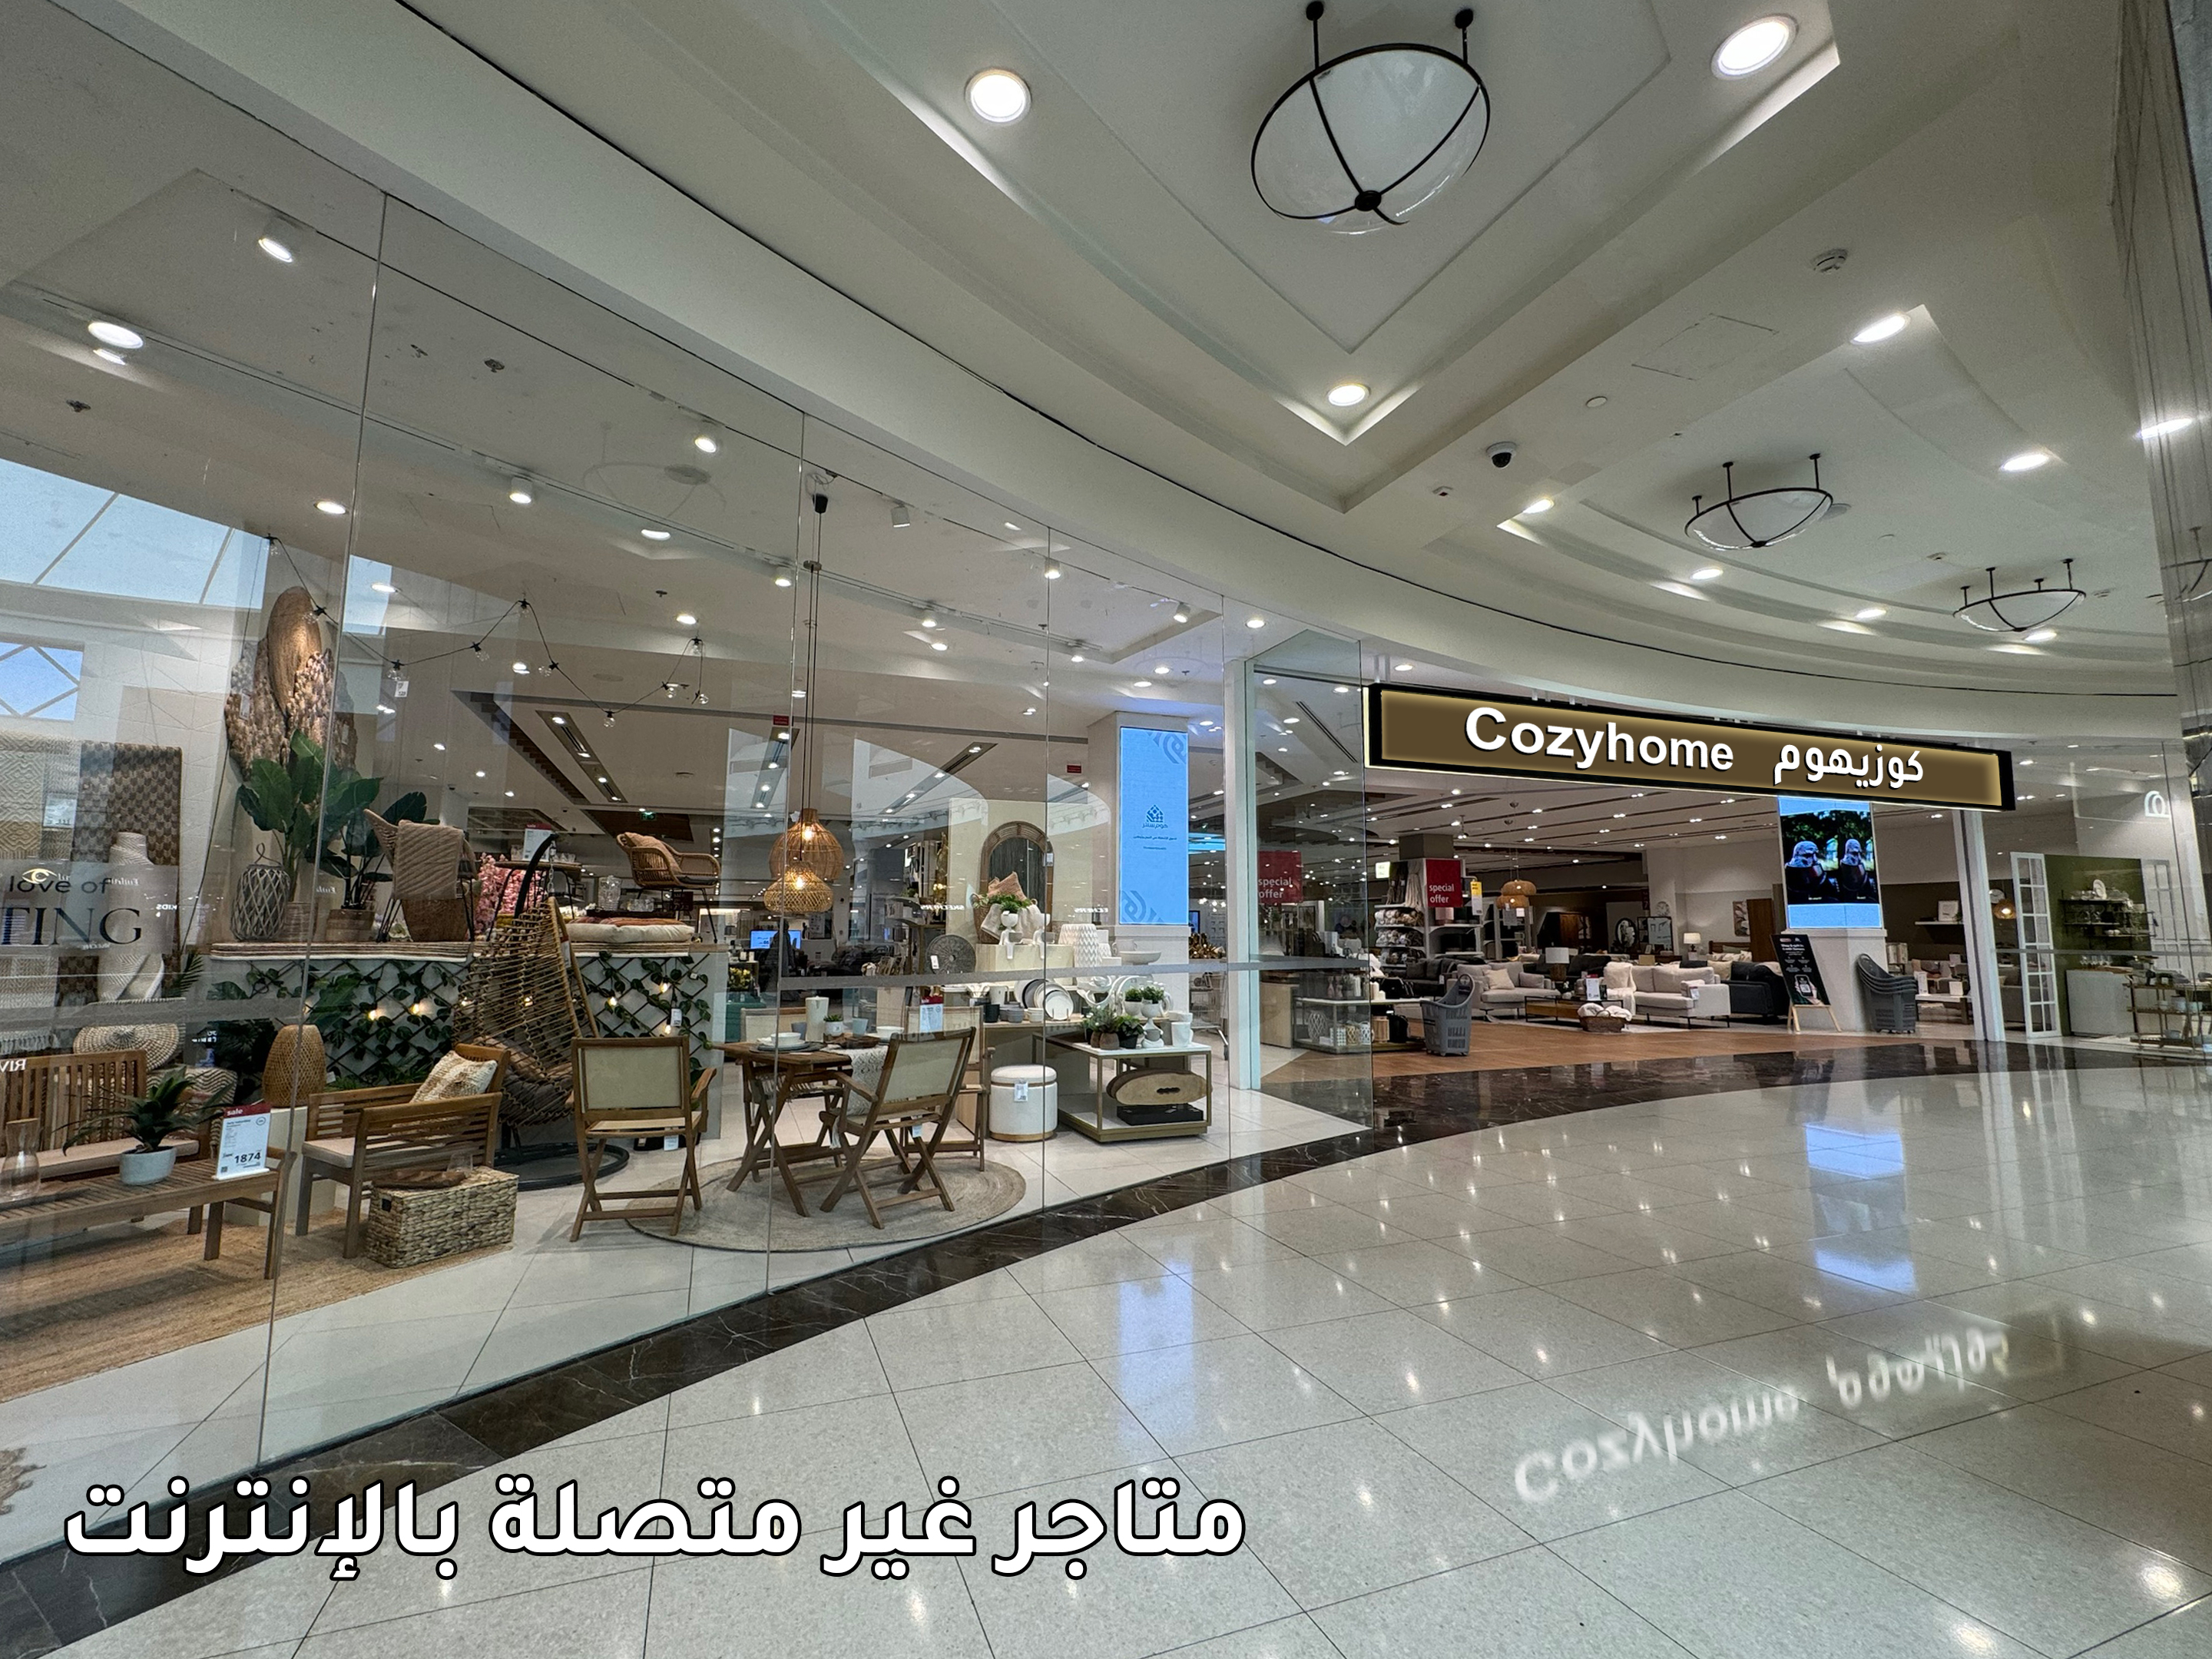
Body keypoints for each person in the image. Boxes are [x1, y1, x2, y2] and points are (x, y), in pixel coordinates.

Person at [1783, 838, 1835, 906]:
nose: (1815, 859)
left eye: (1816, 855)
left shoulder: (1821, 875)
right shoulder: (1786, 875)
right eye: (1808, 855)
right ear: (1796, 856)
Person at [1834, 837, 1877, 902]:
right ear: (1847, 851)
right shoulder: (1838, 874)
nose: (1859, 858)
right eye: (1854, 854)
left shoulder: (1866, 876)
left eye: (1859, 854)